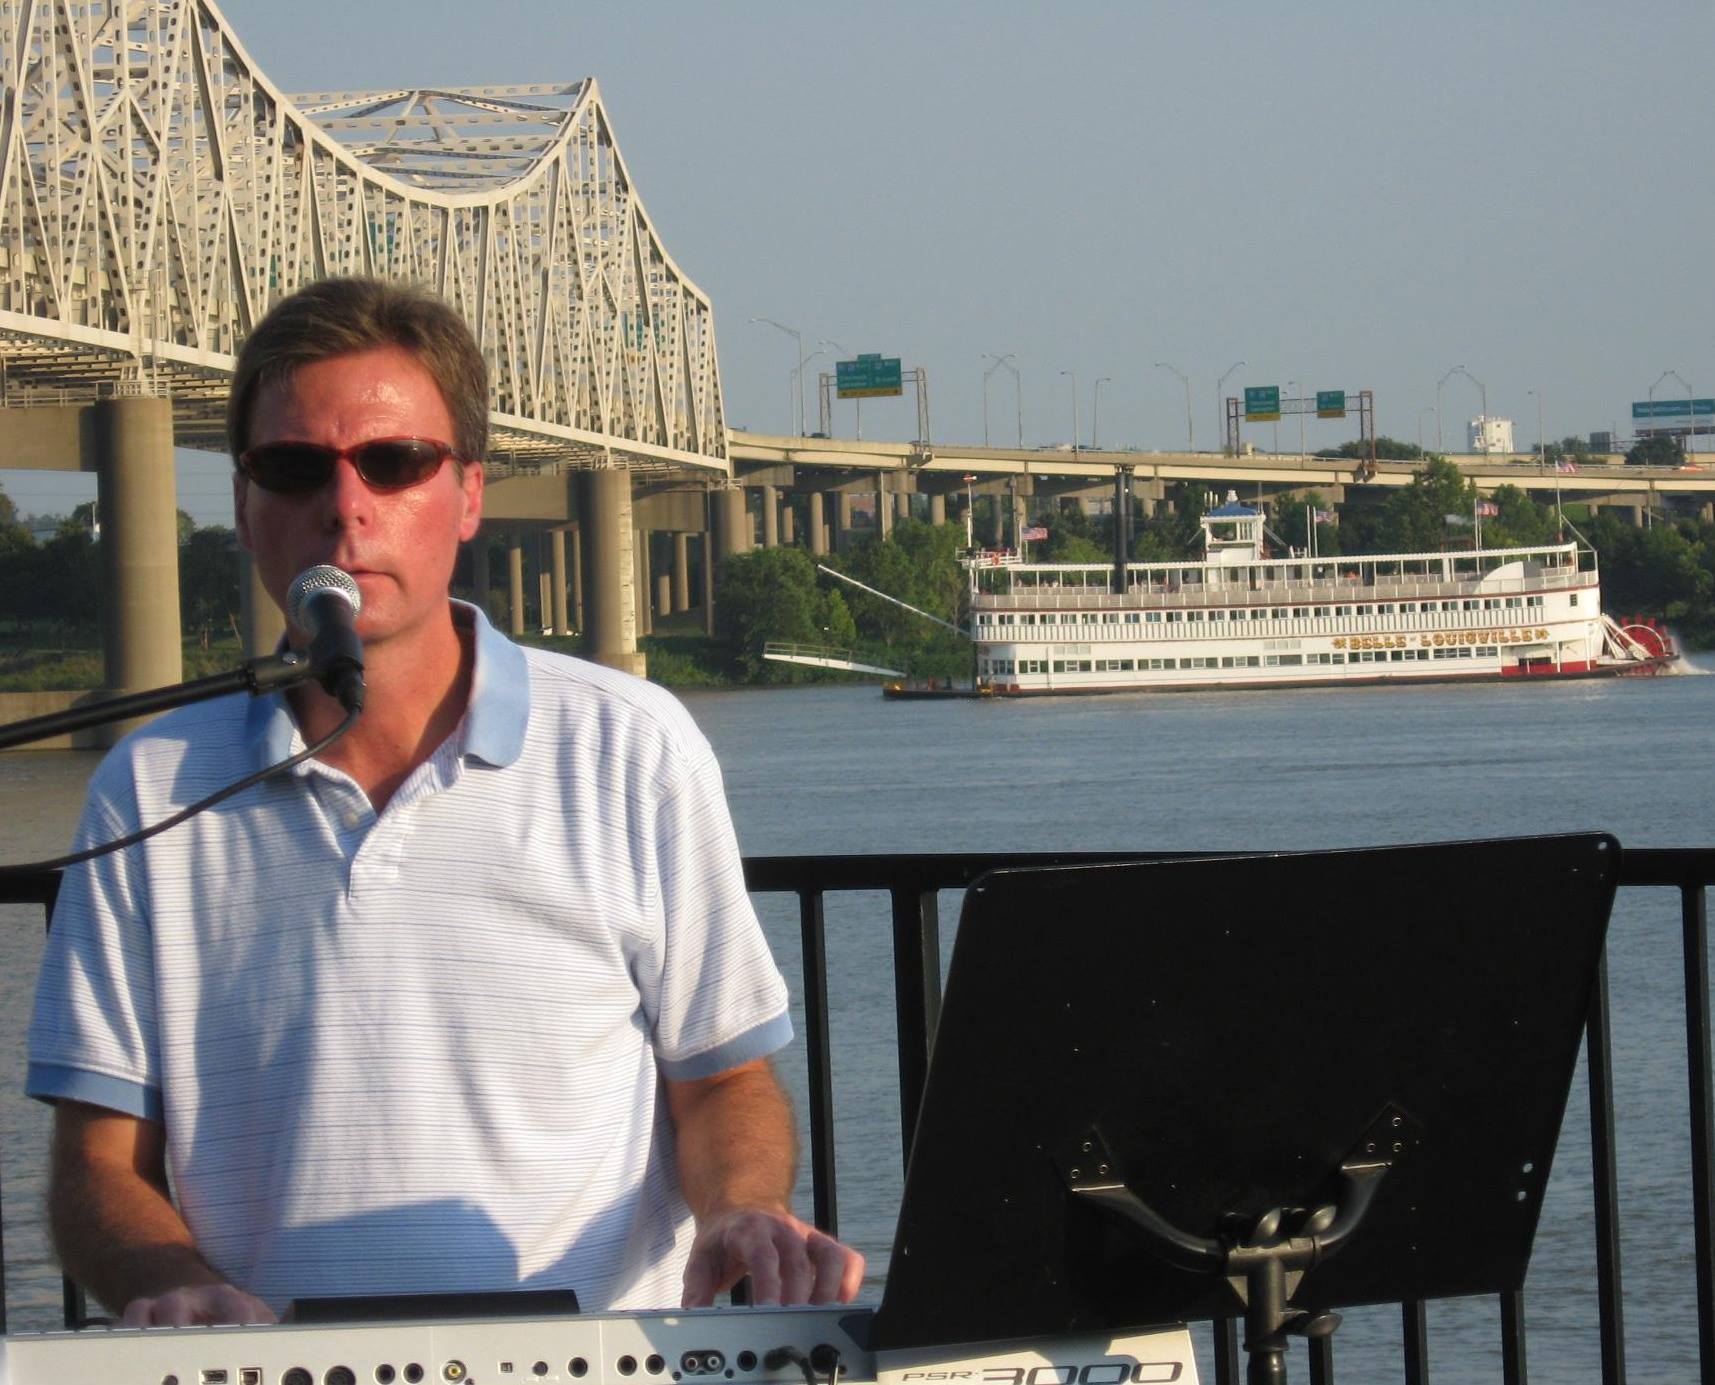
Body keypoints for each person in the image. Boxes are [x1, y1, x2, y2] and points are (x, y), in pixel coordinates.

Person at [26, 277, 862, 1327]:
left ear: (469, 494)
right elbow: (98, 1161)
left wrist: (741, 1208)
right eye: (293, 467)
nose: (345, 505)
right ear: (243, 506)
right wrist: (166, 1281)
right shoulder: (148, 788)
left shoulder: (631, 745)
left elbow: (722, 1082)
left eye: (394, 461)